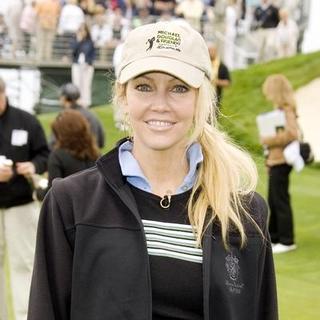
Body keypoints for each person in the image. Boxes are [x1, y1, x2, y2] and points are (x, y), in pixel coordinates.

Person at [28, 21, 278, 320]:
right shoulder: (70, 201)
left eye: (179, 88)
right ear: (123, 95)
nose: (160, 104)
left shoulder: (245, 214)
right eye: (144, 87)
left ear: (200, 99)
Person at [0, 77, 49, 320]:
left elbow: (44, 154)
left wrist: (32, 165)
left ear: (3, 93)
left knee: (25, 266)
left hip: (20, 204)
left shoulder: (26, 121)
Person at [261, 74, 299, 254]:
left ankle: (287, 240)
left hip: (283, 160)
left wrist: (269, 139)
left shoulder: (287, 110)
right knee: (274, 200)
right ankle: (274, 237)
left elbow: (292, 134)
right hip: (275, 160)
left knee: (280, 200)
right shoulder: (279, 111)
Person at [38, 109, 100, 200]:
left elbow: (52, 192)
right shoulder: (97, 155)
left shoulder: (57, 156)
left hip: (72, 209)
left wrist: (38, 192)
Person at [50, 82, 105, 149]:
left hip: (71, 157)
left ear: (64, 98)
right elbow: (101, 142)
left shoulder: (62, 117)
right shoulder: (91, 115)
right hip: (93, 156)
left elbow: (53, 144)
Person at [71, 23, 96, 108]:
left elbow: (92, 55)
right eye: (80, 30)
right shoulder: (76, 40)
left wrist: (88, 63)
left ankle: (86, 103)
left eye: (83, 30)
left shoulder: (90, 42)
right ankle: (77, 102)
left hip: (87, 66)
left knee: (86, 84)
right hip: (77, 65)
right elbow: (73, 51)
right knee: (76, 83)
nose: (82, 32)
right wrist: (78, 41)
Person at [207, 42, 231, 109]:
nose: (211, 53)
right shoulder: (204, 65)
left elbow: (227, 82)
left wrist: (215, 81)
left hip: (216, 98)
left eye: (212, 51)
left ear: (216, 52)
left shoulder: (222, 66)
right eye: (209, 51)